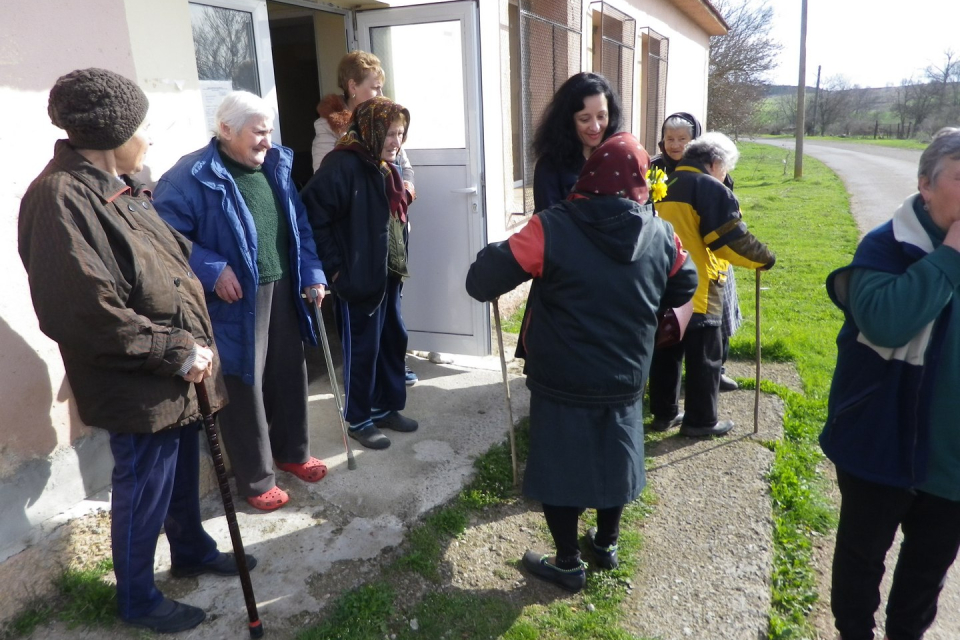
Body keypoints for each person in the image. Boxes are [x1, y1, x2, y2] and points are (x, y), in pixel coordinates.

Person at [18, 68, 254, 634]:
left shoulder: (123, 188)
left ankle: (192, 548)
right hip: (137, 377)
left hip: (172, 372)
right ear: (110, 135)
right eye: (141, 127)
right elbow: (83, 313)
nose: (148, 138)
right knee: (143, 484)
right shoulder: (59, 201)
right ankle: (139, 598)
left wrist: (208, 279)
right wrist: (175, 351)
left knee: (175, 474)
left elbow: (169, 256)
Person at [466, 132, 697, 592]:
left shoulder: (552, 226)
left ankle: (569, 561)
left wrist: (494, 254)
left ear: (590, 176)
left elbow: (482, 280)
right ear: (639, 182)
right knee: (617, 455)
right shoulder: (660, 234)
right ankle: (606, 544)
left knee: (560, 465)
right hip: (626, 373)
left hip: (562, 376)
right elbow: (683, 285)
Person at [153, 91, 328, 512]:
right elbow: (164, 239)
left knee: (289, 372)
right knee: (243, 383)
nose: (267, 141)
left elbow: (298, 227)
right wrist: (212, 269)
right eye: (259, 132)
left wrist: (313, 274)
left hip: (284, 287)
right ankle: (256, 478)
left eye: (270, 132)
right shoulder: (188, 176)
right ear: (226, 129)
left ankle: (293, 453)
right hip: (234, 300)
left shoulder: (276, 166)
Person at [821, 127, 960, 640]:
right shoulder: (887, 246)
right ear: (925, 184)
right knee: (861, 560)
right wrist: (950, 255)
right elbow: (886, 321)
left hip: (951, 458)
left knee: (927, 573)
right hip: (880, 437)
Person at [302, 96, 417, 451]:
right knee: (363, 349)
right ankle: (359, 419)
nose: (396, 142)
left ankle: (385, 407)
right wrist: (335, 269)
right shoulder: (342, 165)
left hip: (386, 275)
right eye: (389, 133)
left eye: (400, 134)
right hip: (357, 278)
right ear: (370, 129)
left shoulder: (383, 164)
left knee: (390, 342)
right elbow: (312, 216)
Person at [648, 132, 775, 437]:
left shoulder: (664, 182)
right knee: (705, 356)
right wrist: (764, 259)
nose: (725, 175)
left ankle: (663, 414)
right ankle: (701, 421)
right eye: (726, 169)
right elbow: (729, 241)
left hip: (663, 285)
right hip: (700, 288)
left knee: (666, 352)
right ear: (715, 163)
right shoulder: (710, 188)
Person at [312, 50, 419, 386]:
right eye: (375, 87)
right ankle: (362, 394)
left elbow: (405, 165)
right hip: (358, 240)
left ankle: (390, 375)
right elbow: (326, 184)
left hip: (390, 234)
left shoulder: (389, 122)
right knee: (362, 324)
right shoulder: (329, 130)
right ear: (352, 86)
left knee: (392, 314)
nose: (381, 93)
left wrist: (404, 193)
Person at [651, 112, 742, 392]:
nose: (675, 145)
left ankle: (715, 371)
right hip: (669, 254)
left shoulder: (714, 170)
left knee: (716, 319)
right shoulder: (655, 169)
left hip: (710, 257)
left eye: (683, 139)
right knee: (673, 325)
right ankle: (673, 386)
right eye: (669, 139)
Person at [532, 71, 621, 211]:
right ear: (567, 121)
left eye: (601, 116)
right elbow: (549, 223)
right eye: (584, 119)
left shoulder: (618, 157)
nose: (595, 127)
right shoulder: (549, 166)